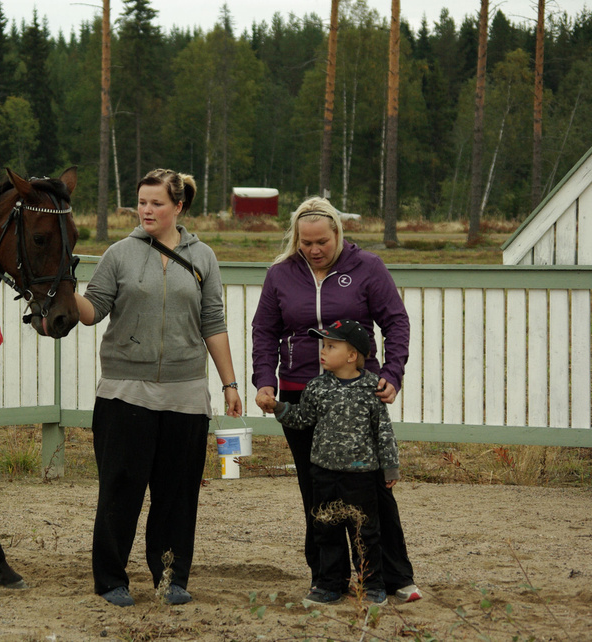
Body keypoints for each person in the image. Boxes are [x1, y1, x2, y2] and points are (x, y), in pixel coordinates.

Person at [75, 168, 243, 608]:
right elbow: (92, 311)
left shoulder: (204, 256)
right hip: (124, 393)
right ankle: (111, 580)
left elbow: (213, 322)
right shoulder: (118, 254)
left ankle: (170, 578)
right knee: (119, 492)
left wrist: (229, 383)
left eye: (156, 203)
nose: (146, 211)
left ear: (178, 207)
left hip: (185, 395)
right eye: (141, 203)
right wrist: (63, 288)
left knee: (177, 496)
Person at [251, 196, 422, 603]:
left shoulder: (369, 267)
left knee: (373, 490)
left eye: (322, 242)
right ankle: (327, 579)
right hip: (300, 392)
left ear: (338, 234)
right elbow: (264, 331)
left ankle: (393, 577)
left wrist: (392, 373)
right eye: (306, 242)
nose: (314, 250)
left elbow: (396, 321)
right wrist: (265, 381)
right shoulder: (280, 274)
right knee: (317, 490)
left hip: (358, 393)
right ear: (296, 238)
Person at [272, 319, 401, 606]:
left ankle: (371, 584)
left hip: (361, 476)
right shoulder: (316, 387)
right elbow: (303, 419)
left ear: (352, 355)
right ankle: (330, 584)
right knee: (326, 530)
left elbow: (383, 431)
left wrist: (390, 467)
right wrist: (279, 407)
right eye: (324, 345)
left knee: (365, 532)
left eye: (331, 346)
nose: (323, 351)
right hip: (324, 474)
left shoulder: (371, 387)